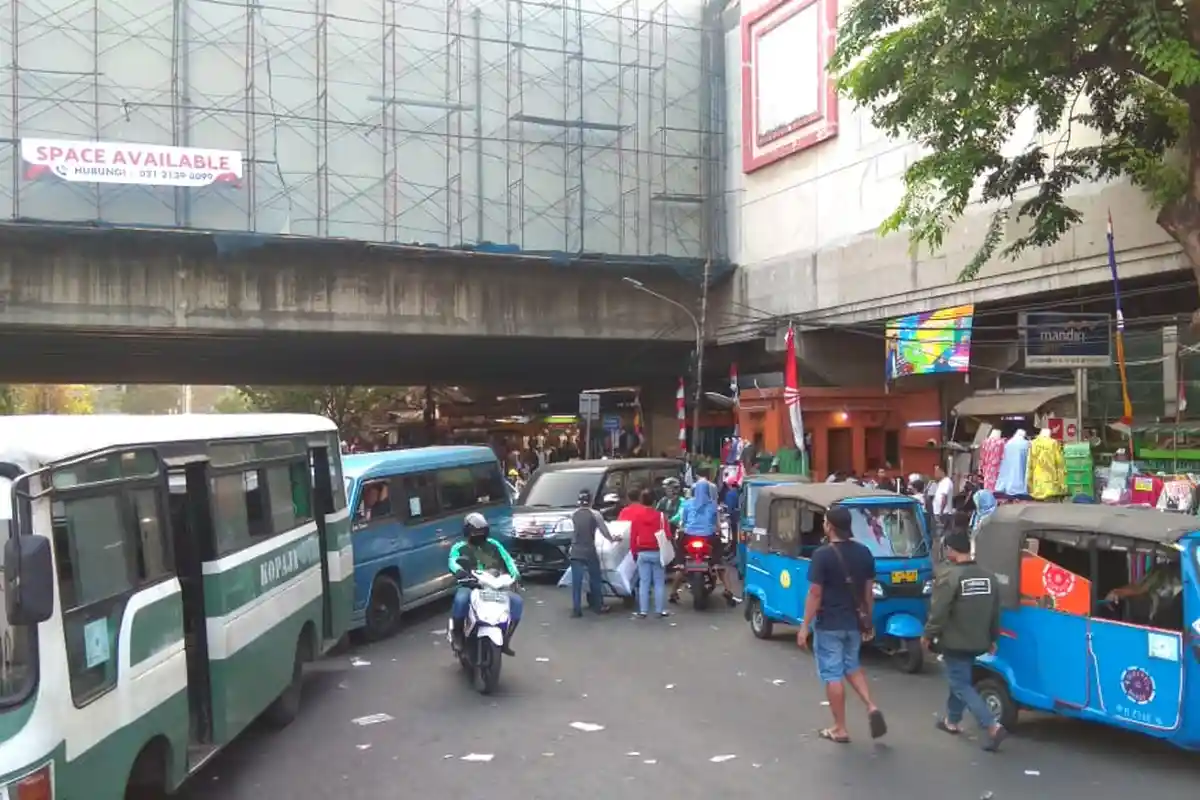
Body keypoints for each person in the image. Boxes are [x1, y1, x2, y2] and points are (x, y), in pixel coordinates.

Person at [797, 506, 887, 744]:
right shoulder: (864, 553)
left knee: (833, 674)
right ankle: (871, 705)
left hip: (829, 624)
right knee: (852, 665)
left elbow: (815, 594)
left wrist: (805, 625)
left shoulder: (822, 555)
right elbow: (868, 592)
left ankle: (840, 728)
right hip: (854, 622)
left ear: (830, 526)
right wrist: (867, 620)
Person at [922, 529, 1007, 751]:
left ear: (950, 550)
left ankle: (992, 726)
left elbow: (938, 612)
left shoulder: (950, 576)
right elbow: (996, 611)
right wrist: (993, 637)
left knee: (960, 683)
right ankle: (952, 720)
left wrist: (928, 635)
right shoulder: (989, 577)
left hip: (955, 641)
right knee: (960, 678)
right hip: (980, 639)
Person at [448, 512, 524, 655]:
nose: (478, 534)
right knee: (461, 600)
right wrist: (460, 572)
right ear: (467, 532)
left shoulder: (494, 545)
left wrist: (516, 575)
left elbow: (508, 560)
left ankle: (506, 638)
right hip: (470, 585)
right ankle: (458, 635)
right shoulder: (459, 547)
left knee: (517, 602)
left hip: (495, 585)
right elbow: (453, 562)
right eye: (475, 532)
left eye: (481, 531)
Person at [568, 489, 618, 617]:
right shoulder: (595, 514)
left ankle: (576, 609)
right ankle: (598, 606)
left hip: (575, 551)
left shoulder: (573, 514)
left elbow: (572, 532)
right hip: (589, 550)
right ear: (590, 501)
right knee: (595, 578)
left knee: (577, 582)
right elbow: (604, 531)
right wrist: (613, 539)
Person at [622, 487, 670, 618]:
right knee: (659, 582)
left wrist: (634, 552)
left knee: (644, 582)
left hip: (642, 552)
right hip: (657, 552)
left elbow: (633, 536)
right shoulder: (661, 516)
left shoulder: (637, 517)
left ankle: (643, 611)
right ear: (655, 502)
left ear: (642, 501)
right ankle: (659, 610)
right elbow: (668, 535)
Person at [931, 464, 954, 538]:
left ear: (942, 471)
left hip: (943, 513)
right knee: (940, 533)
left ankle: (943, 548)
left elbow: (944, 497)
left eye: (936, 471)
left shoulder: (947, 482)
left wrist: (941, 511)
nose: (935, 474)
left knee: (942, 534)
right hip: (939, 512)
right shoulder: (941, 482)